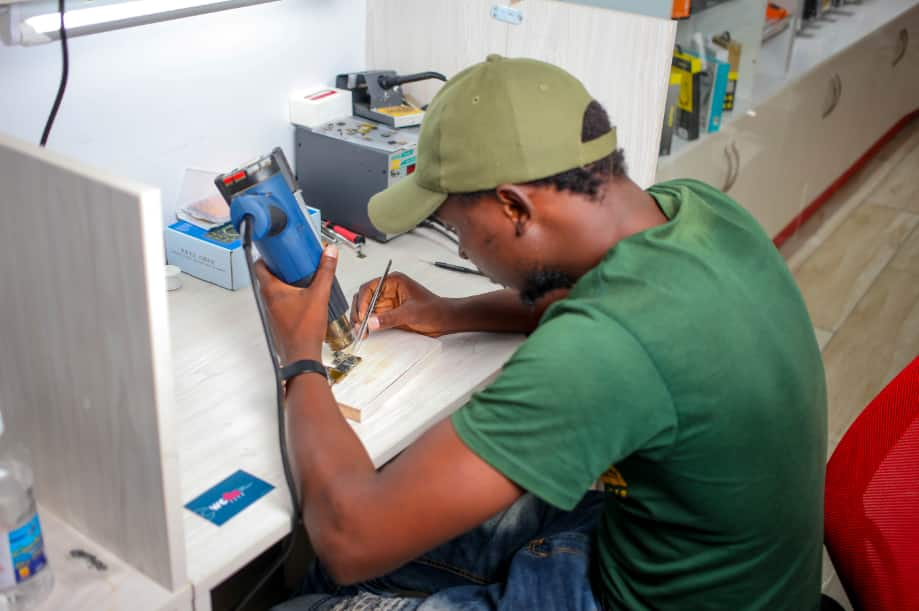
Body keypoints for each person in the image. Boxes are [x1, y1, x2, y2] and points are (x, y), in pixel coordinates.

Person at [262, 55, 827, 610]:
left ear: (513, 206)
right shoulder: (698, 212)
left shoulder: (603, 346)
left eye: (455, 226)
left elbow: (349, 537)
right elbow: (597, 293)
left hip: (635, 595)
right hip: (684, 558)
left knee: (314, 585)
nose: (458, 248)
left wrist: (300, 356)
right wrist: (450, 312)